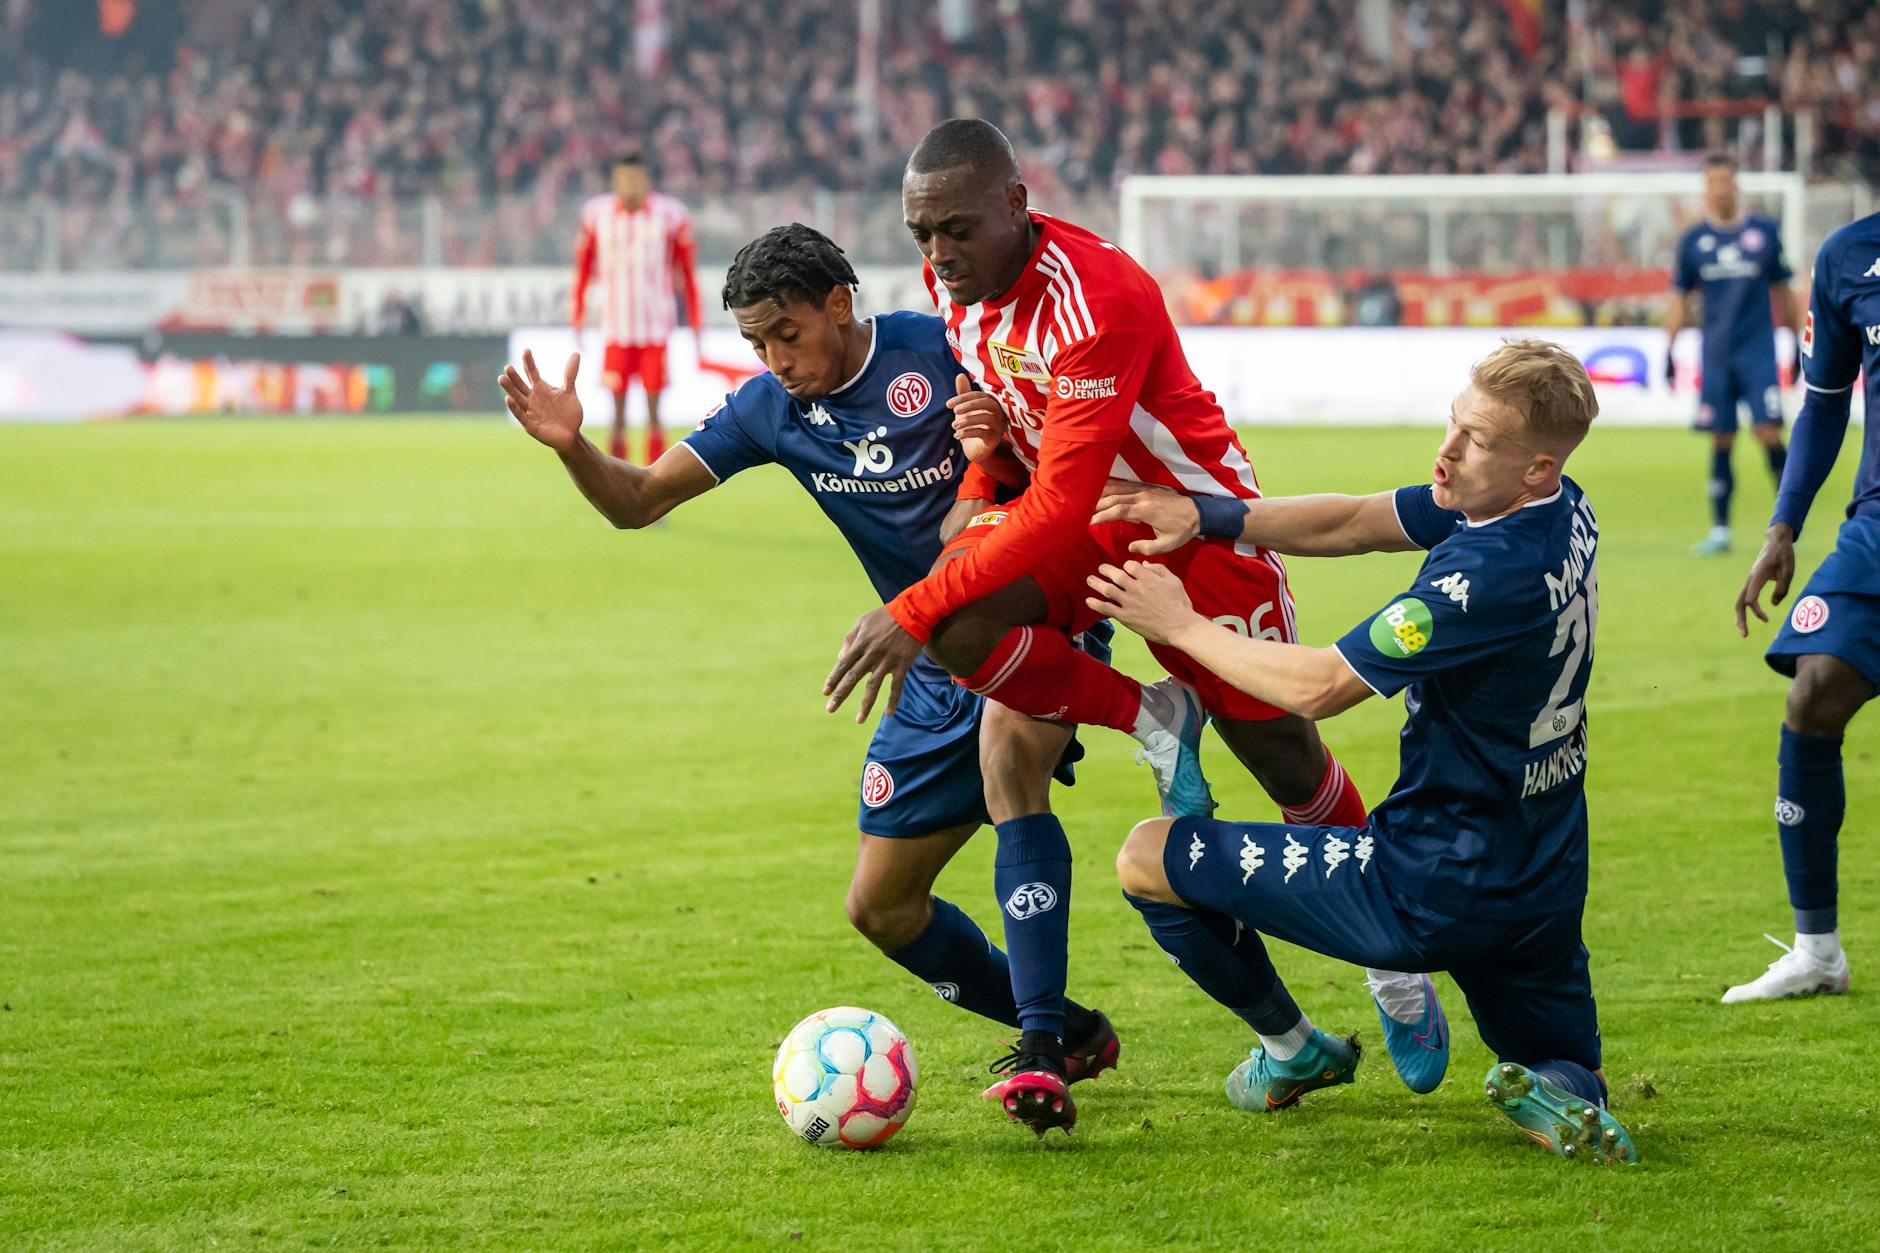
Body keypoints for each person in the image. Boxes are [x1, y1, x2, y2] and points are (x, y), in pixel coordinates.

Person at [821, 118, 1439, 1136]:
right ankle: (1152, 713)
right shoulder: (959, 288)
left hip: (1196, 532)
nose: (934, 252)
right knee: (959, 624)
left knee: (1280, 756)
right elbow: (1011, 447)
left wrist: (909, 597)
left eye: (954, 228)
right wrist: (977, 478)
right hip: (1082, 519)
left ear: (1016, 206)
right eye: (919, 230)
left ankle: (1393, 964)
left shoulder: (1095, 297)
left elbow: (1059, 501)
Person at [507, 224, 1126, 1082]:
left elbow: (1060, 443)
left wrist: (994, 443)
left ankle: (1043, 1046)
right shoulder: (770, 408)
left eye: (786, 336)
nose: (775, 360)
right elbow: (639, 501)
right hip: (926, 653)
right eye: (755, 344)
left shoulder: (940, 343)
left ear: (839, 304)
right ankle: (1084, 1032)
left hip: (1031, 613)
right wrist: (574, 445)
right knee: (882, 906)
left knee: (1009, 765)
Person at [1088, 339, 1637, 1166]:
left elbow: (1318, 688)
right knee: (1567, 1063)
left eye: (1477, 440)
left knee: (1145, 857)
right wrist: (1209, 513)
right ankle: (1561, 1093)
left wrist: (1179, 625)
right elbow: (1357, 521)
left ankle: (1291, 1047)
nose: (1448, 451)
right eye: (1455, 424)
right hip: (1544, 873)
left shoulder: (1483, 576)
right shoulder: (1561, 507)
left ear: (1535, 466)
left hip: (1428, 877)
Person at [1725, 210, 1880, 1002]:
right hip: (1878, 524)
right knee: (1814, 691)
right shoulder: (1848, 255)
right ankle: (1817, 949)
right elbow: (1823, 402)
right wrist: (1782, 528)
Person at [1666, 153, 1801, 556]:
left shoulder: (1763, 234)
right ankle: (1721, 530)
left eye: (1726, 180)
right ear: (1706, 189)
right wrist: (1668, 349)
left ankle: (1792, 518)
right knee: (1721, 438)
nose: (1721, 188)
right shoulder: (1693, 243)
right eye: (1714, 181)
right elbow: (1679, 298)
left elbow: (1783, 292)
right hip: (1717, 356)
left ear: (1736, 185)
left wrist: (1795, 343)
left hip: (1758, 353)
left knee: (1768, 434)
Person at [571, 153, 703, 464]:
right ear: (615, 181)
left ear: (646, 180)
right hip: (616, 329)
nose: (630, 186)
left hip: (655, 329)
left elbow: (687, 274)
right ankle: (617, 488)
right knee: (616, 415)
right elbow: (583, 270)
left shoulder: (670, 216)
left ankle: (656, 484)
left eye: (636, 179)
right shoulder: (596, 215)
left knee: (655, 413)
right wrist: (577, 315)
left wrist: (696, 322)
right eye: (624, 179)